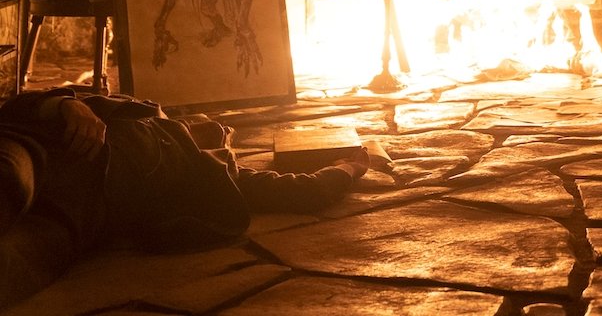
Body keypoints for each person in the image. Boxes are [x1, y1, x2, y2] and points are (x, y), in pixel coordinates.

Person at [0, 85, 368, 308]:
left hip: (80, 215)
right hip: (39, 150)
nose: (223, 128)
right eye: (219, 124)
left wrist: (347, 168)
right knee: (10, 183)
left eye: (225, 133)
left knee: (17, 266)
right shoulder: (140, 110)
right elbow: (19, 102)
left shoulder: (215, 176)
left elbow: (299, 191)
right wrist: (69, 106)